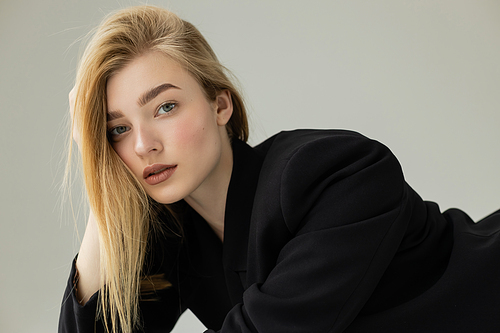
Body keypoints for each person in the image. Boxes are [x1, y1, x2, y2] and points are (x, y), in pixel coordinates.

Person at [58, 5, 500, 333]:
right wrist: (98, 173)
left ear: (220, 104)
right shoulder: (175, 239)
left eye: (165, 106)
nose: (142, 145)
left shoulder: (333, 174)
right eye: (116, 130)